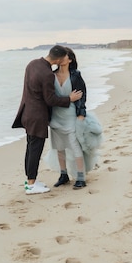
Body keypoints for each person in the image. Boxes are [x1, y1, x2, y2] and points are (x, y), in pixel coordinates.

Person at [12, 45, 83, 195]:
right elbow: (50, 100)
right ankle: (31, 184)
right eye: (63, 57)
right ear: (57, 59)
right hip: (37, 116)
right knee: (35, 151)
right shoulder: (48, 74)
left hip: (26, 112)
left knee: (30, 148)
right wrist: (69, 98)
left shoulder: (32, 64)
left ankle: (30, 181)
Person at [49, 47, 88, 189]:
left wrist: (81, 114)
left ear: (70, 59)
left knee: (75, 145)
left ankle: (81, 177)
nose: (60, 58)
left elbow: (82, 96)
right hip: (55, 116)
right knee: (59, 147)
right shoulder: (51, 75)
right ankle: (63, 175)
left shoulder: (76, 76)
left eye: (64, 56)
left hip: (71, 116)